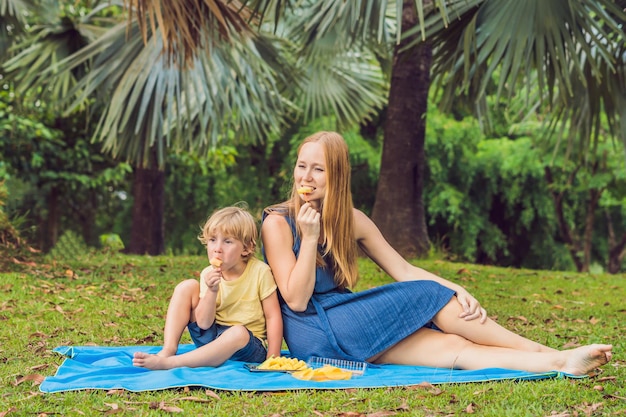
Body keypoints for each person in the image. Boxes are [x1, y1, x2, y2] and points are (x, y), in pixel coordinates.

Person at [261, 131, 612, 375]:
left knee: (452, 348)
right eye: (301, 165)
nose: (305, 176)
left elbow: (403, 269)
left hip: (349, 323)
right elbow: (295, 300)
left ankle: (557, 361)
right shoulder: (278, 223)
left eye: (318, 168)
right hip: (314, 331)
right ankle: (539, 349)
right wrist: (309, 239)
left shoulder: (352, 221)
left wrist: (456, 289)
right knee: (430, 296)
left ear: (336, 175)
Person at [133, 206, 282, 369]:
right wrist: (212, 291)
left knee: (238, 332)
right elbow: (204, 323)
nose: (217, 248)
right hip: (212, 337)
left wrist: (272, 358)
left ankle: (171, 363)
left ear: (246, 248)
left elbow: (273, 316)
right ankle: (168, 350)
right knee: (186, 286)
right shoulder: (209, 273)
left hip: (246, 346)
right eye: (212, 240)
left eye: (228, 241)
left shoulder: (260, 272)